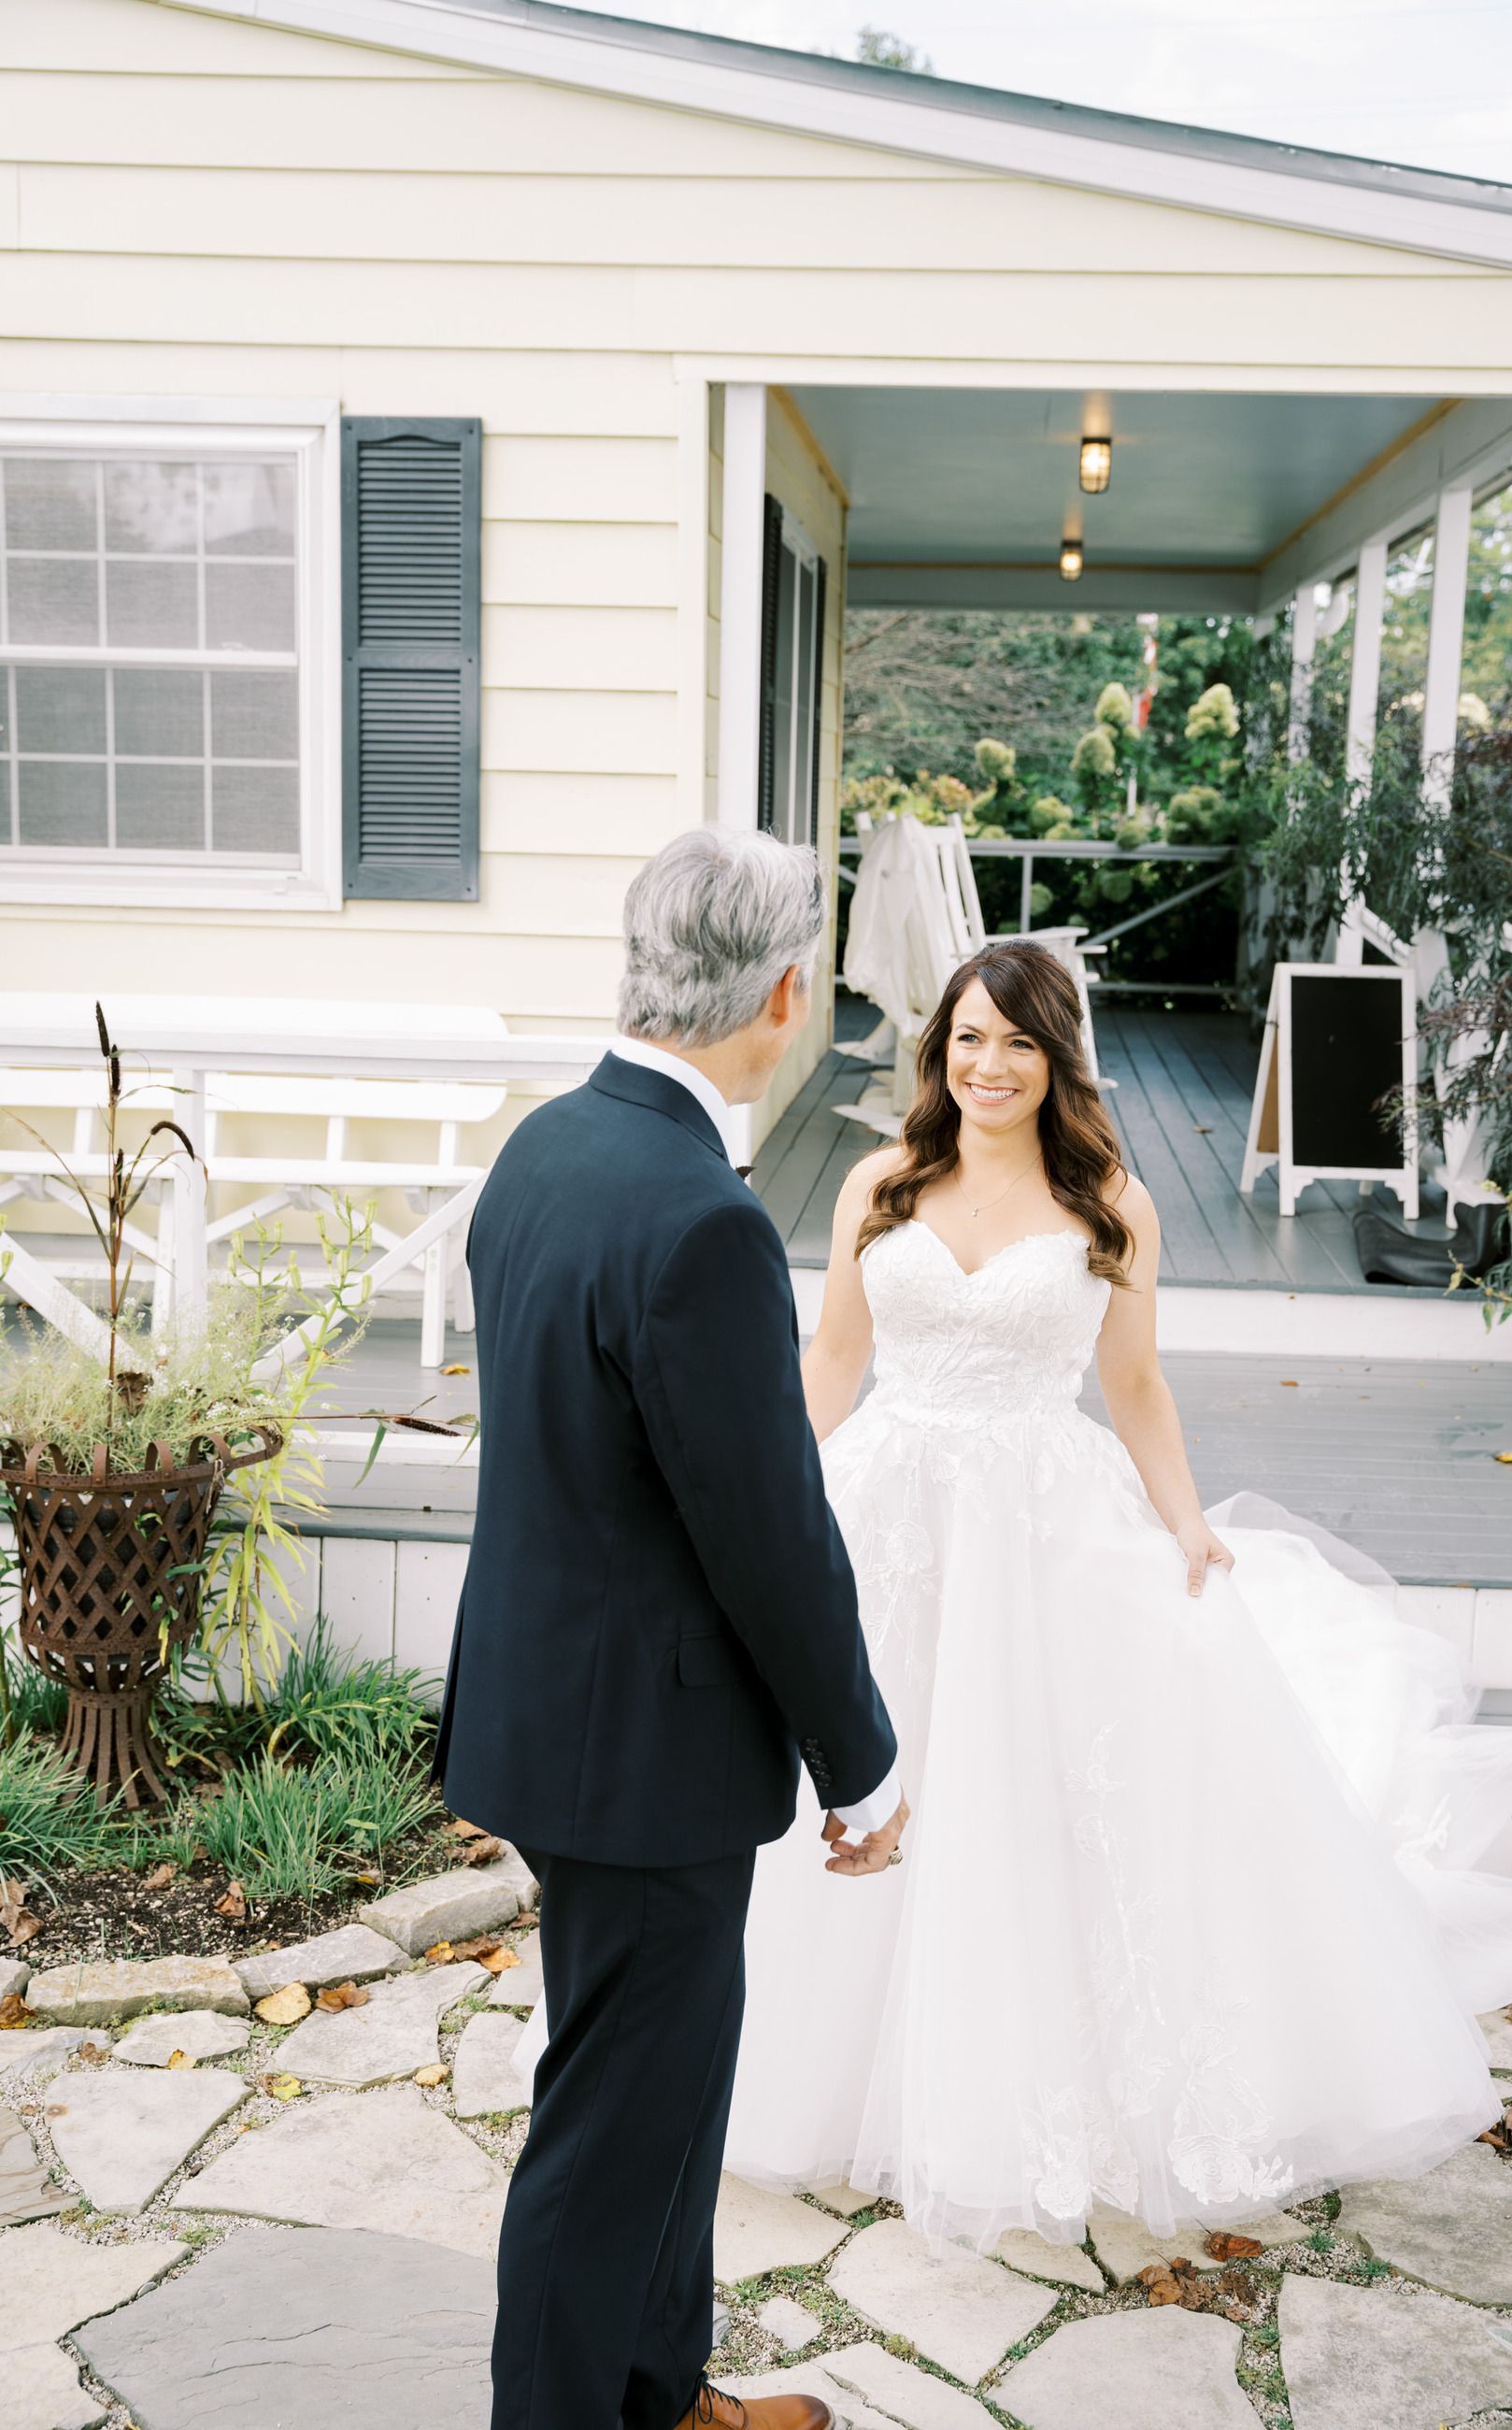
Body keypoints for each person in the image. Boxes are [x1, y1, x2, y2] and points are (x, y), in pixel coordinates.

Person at [724, 937, 1512, 2254]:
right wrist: (774, 1511)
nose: (987, 1064)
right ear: (936, 1051)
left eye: (1016, 1040)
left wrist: (1183, 1520)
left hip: (1039, 1518)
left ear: (1054, 1057)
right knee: (866, 1768)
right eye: (966, 1037)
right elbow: (833, 1359)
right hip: (888, 1510)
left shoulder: (1111, 1199)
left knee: (1039, 1791)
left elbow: (1133, 1384)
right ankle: (835, 2072)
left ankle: (1031, 2094)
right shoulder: (877, 1183)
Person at [435, 828, 908, 2430]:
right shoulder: (699, 1220)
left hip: (557, 1711)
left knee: (660, 2090)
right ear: (784, 994)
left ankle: (661, 2391)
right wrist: (862, 1763)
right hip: (645, 1747)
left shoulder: (545, 1147)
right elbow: (766, 1535)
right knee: (612, 2123)